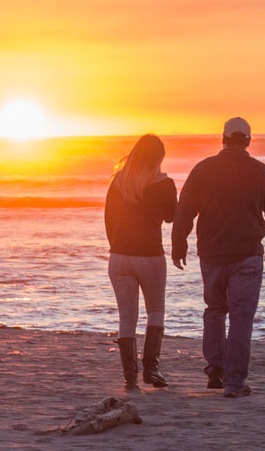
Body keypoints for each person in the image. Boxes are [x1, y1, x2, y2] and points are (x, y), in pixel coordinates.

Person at [171, 117, 265, 397]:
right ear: (247, 140)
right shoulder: (262, 172)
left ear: (222, 138)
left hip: (211, 254)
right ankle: (233, 383)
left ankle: (215, 370)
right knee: (241, 318)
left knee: (214, 311)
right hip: (247, 255)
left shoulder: (203, 170)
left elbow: (184, 210)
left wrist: (178, 245)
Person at [104, 134, 177, 391]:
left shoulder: (119, 182)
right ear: (158, 158)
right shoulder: (164, 183)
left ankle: (130, 378)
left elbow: (108, 221)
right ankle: (151, 370)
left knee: (127, 318)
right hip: (150, 256)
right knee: (155, 311)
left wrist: (118, 247)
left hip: (119, 257)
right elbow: (171, 217)